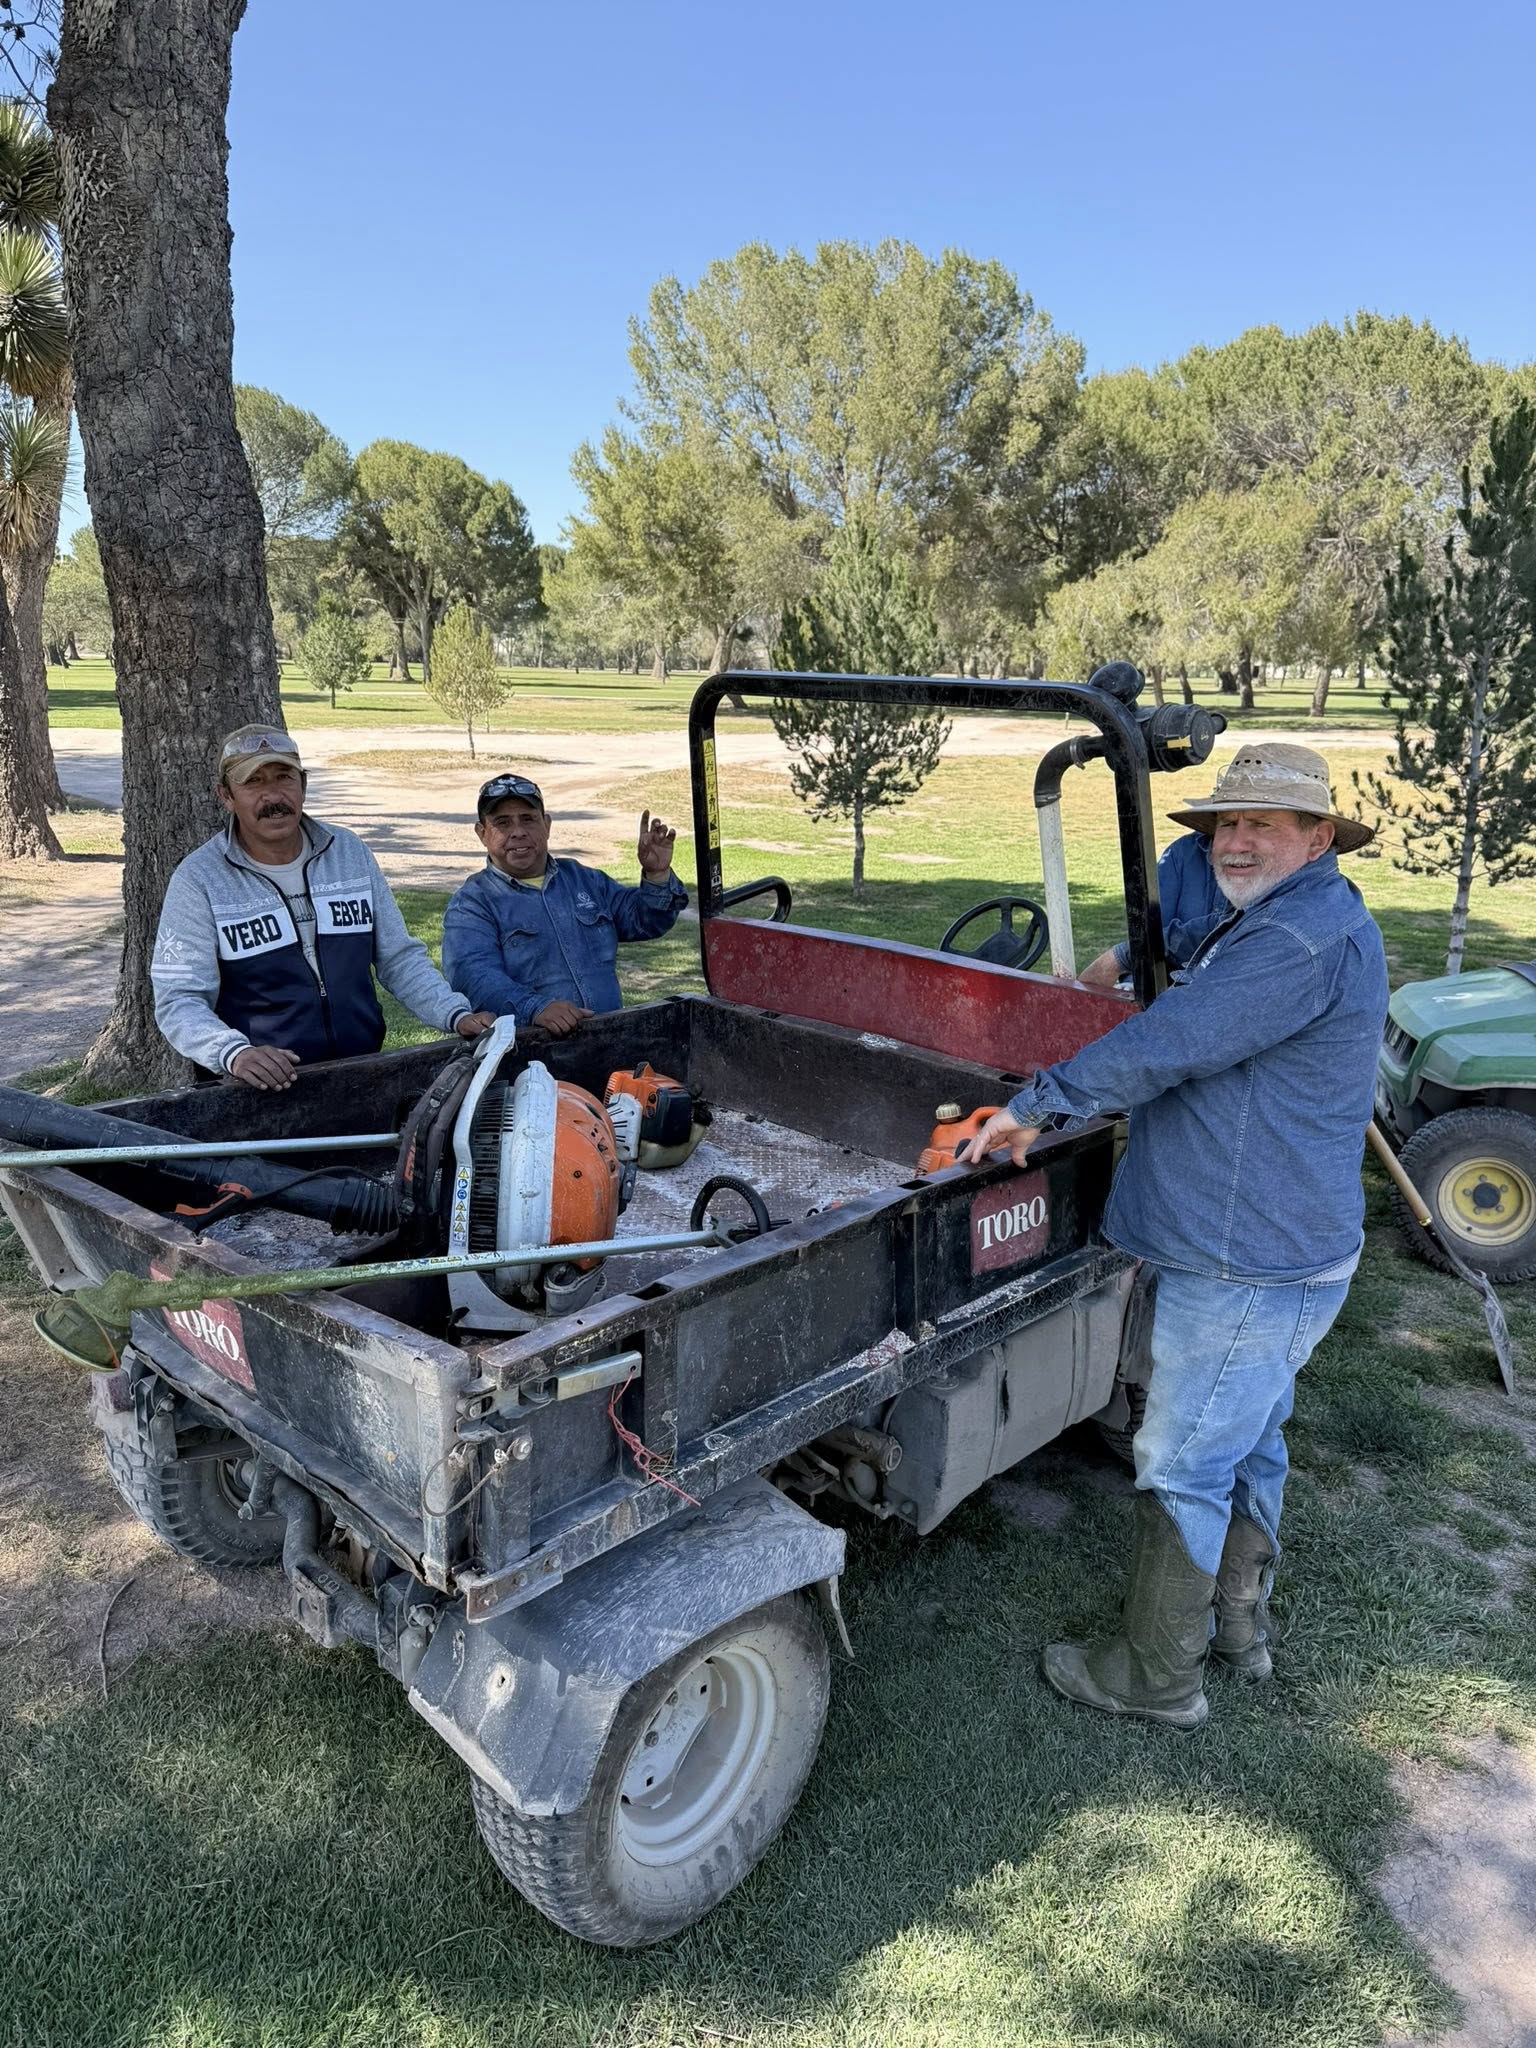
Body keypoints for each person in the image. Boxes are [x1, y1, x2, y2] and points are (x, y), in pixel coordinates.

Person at [957, 743, 1388, 1731]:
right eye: (1224, 823)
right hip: (1279, 1244)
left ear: (1319, 837)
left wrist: (1042, 1100)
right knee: (1249, 1441)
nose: (1234, 840)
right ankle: (1239, 1624)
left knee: (1187, 1459)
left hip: (1249, 1258)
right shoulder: (1279, 910)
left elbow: (1173, 1039)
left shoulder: (1296, 942)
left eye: (1262, 824)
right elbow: (1178, 922)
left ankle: (1156, 1675)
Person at [153, 725, 494, 1088]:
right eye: (253, 782)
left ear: (303, 784)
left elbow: (398, 958)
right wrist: (233, 1053)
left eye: (284, 778)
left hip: (359, 1074)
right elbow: (179, 998)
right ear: (226, 796)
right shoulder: (199, 879)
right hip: (256, 1091)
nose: (272, 796)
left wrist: (454, 1013)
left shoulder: (348, 852)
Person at [441, 771, 687, 1036]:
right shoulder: (472, 903)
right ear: (482, 833)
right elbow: (474, 977)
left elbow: (644, 921)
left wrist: (657, 875)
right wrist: (536, 1008)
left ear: (546, 824)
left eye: (528, 819)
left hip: (610, 1039)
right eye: (503, 823)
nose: (518, 832)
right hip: (529, 1058)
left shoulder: (585, 880)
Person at [1078, 830, 1226, 986]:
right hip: (1170, 990)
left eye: (1254, 823)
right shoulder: (1181, 852)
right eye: (1228, 823)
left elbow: (1226, 927)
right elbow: (1150, 930)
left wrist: (1123, 955)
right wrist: (1133, 983)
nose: (1238, 842)